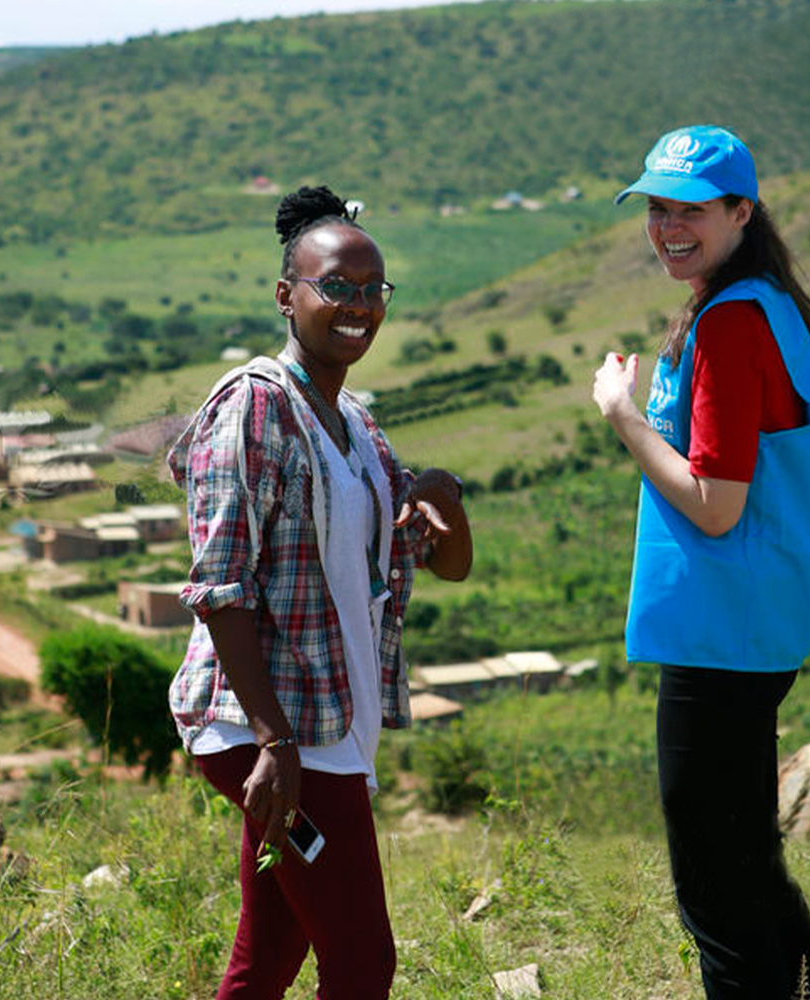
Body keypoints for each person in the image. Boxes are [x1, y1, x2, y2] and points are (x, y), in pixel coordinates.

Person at [167, 184, 472, 999]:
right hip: (268, 732)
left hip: (327, 724)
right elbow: (220, 587)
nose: (358, 306)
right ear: (286, 295)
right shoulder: (254, 410)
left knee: (268, 955)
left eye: (374, 290)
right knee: (362, 958)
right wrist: (274, 745)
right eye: (336, 286)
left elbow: (442, 562)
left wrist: (444, 491)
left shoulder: (358, 425)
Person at [591, 125, 810, 999]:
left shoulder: (733, 322)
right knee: (748, 861)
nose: (668, 226)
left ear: (742, 210)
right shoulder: (766, 300)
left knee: (716, 891)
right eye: (657, 207)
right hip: (757, 622)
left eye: (691, 209)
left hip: (722, 636)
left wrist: (622, 413)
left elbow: (715, 502)